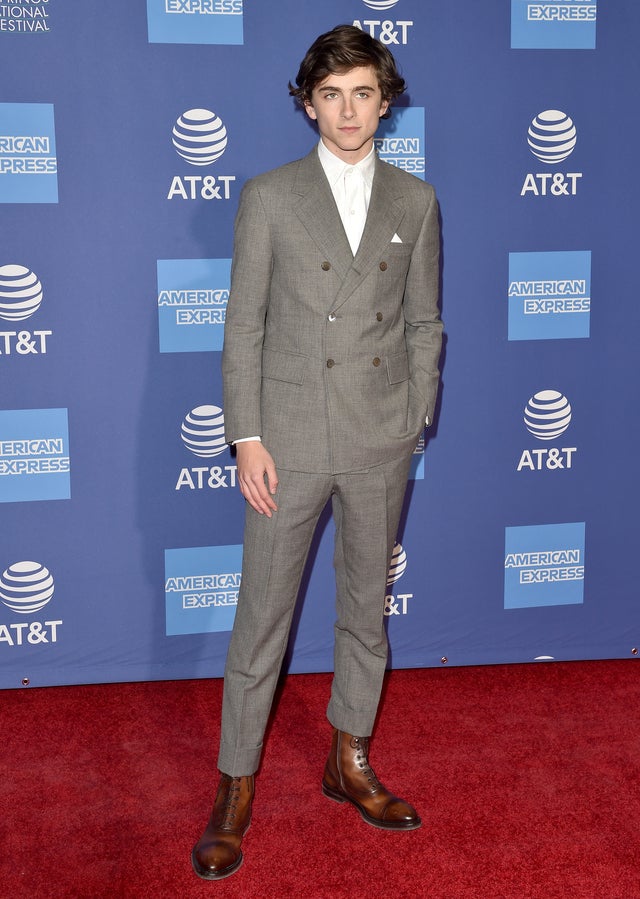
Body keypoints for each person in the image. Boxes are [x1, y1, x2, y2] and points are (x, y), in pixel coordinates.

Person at [192, 24, 442, 881]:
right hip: (288, 439)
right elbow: (243, 324)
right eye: (331, 94)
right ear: (308, 104)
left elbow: (422, 324)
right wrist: (247, 435)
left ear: (386, 100)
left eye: (363, 92)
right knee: (262, 617)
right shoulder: (267, 196)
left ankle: (350, 757)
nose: (348, 109)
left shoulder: (416, 200)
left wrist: (413, 413)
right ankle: (234, 782)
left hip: (379, 436)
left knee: (364, 613)